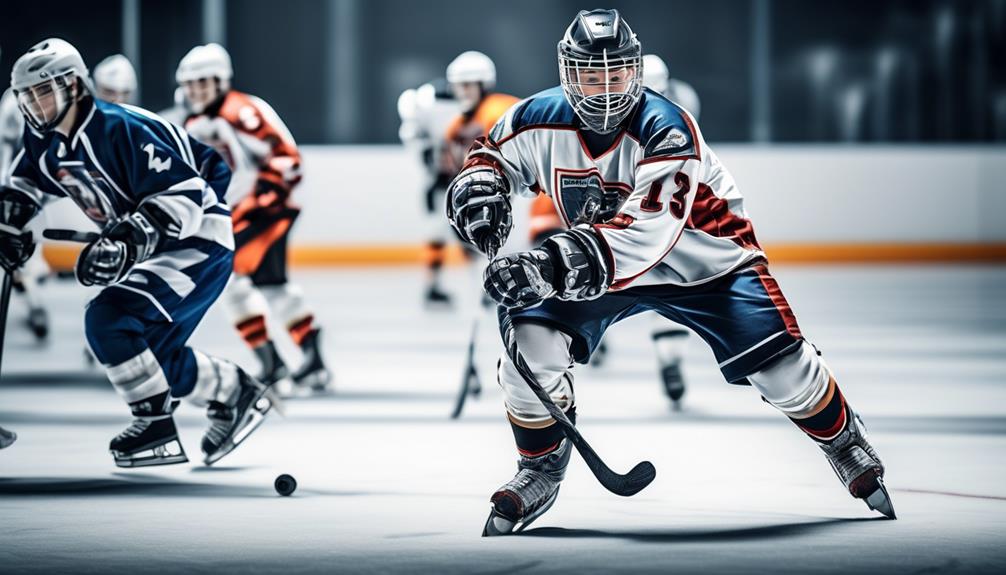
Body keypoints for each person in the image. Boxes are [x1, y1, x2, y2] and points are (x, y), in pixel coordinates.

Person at [446, 9, 895, 535]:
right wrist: (480, 185)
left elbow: (649, 233)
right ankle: (540, 468)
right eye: (593, 74)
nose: (607, 87)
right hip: (599, 262)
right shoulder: (533, 118)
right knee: (528, 350)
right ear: (569, 74)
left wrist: (548, 264)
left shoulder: (668, 126)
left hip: (707, 262)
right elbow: (490, 157)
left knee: (785, 372)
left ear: (635, 71)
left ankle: (844, 441)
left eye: (617, 73)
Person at [0, 38, 276, 467]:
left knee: (109, 318)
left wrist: (129, 240)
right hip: (161, 247)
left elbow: (190, 190)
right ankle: (236, 392)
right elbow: (24, 185)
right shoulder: (46, 140)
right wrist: (7, 226)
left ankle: (156, 428)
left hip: (197, 242)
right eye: (28, 95)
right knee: (149, 354)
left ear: (73, 86)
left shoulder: (118, 127)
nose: (35, 104)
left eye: (43, 90)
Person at [177, 43, 331, 397]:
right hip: (246, 213)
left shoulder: (240, 111)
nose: (197, 90)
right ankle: (312, 360)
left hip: (265, 211)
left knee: (231, 283)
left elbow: (286, 159)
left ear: (221, 81)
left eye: (204, 82)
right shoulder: (196, 120)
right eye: (191, 84)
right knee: (272, 286)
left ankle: (274, 366)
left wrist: (257, 201)